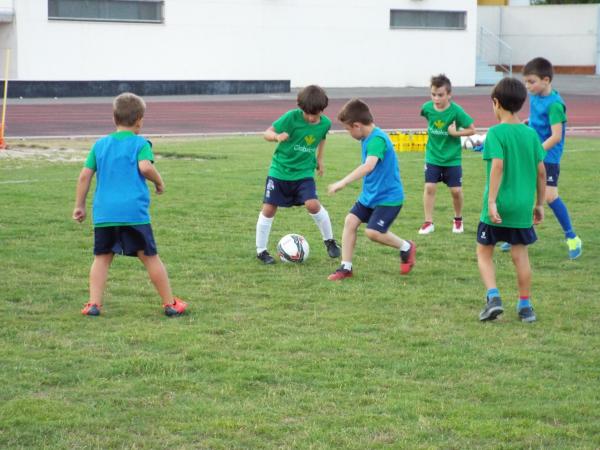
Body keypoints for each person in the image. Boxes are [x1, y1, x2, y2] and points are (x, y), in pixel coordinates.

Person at [73, 92, 188, 317]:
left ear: (114, 118)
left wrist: (80, 205)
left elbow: (84, 176)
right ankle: (170, 304)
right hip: (134, 213)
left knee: (102, 258)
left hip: (105, 213)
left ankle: (94, 304)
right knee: (149, 257)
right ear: (139, 120)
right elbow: (145, 167)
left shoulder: (100, 145)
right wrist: (159, 182)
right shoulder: (140, 143)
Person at [477, 78, 546, 323]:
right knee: (520, 255)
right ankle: (525, 306)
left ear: (496, 103)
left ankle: (493, 297)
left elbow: (497, 165)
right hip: (521, 207)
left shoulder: (495, 133)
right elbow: (541, 172)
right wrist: (539, 203)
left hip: (499, 205)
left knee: (484, 252)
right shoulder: (530, 134)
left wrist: (492, 202)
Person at [501, 57, 582, 259]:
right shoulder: (536, 97)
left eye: (531, 81)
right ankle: (517, 236)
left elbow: (555, 136)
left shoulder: (555, 105)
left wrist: (537, 150)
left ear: (546, 80)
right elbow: (537, 122)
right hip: (534, 152)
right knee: (526, 193)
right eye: (526, 82)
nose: (527, 86)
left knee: (550, 196)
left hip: (549, 157)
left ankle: (572, 237)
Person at [327, 99, 415, 281]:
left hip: (388, 198)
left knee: (373, 232)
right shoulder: (367, 137)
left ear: (357, 125)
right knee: (350, 221)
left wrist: (343, 182)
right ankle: (346, 267)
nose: (348, 132)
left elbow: (369, 166)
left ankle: (406, 247)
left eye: (347, 129)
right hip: (370, 196)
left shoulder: (377, 140)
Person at [255, 85, 340, 264]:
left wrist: (320, 159)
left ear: (322, 110)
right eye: (307, 113)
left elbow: (322, 137)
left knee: (312, 204)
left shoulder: (325, 123)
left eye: (314, 114)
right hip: (279, 171)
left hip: (304, 173)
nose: (310, 118)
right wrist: (276, 137)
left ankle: (330, 241)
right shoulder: (291, 117)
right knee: (269, 208)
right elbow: (266, 133)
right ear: (300, 108)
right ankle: (261, 251)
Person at [419, 74, 476, 235]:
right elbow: (429, 120)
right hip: (432, 156)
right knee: (429, 187)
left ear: (449, 94)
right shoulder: (427, 108)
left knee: (456, 191)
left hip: (452, 159)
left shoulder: (457, 111)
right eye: (433, 94)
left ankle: (458, 220)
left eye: (440, 95)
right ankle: (428, 222)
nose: (436, 98)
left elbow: (472, 129)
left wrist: (455, 133)